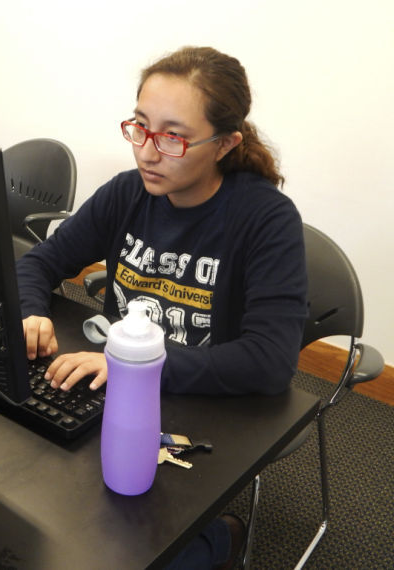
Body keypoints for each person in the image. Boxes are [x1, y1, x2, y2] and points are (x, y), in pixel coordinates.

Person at [16, 46, 308, 568]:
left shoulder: (266, 219)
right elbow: (39, 263)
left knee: (121, 548)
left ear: (225, 144)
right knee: (36, 502)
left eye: (173, 137)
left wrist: (134, 367)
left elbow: (270, 361)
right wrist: (30, 311)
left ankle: (221, 537)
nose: (148, 152)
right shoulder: (128, 194)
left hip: (210, 409)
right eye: (141, 128)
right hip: (117, 398)